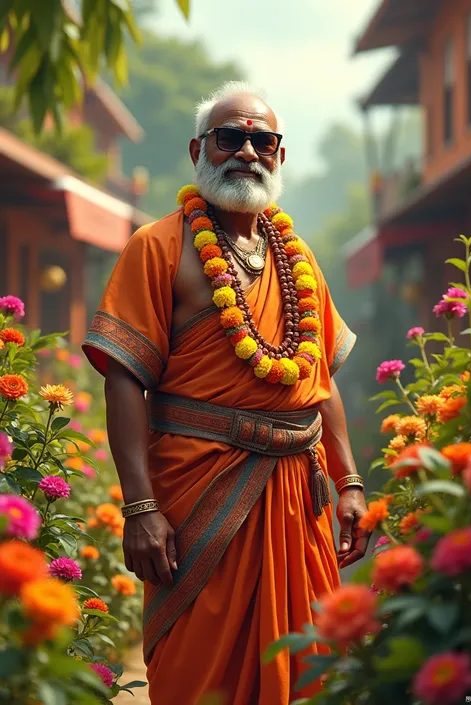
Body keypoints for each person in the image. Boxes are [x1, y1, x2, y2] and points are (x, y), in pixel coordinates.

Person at [83, 81, 369, 705]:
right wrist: (139, 507)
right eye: (229, 137)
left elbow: (320, 380)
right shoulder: (157, 247)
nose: (246, 151)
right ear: (198, 149)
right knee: (200, 678)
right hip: (200, 502)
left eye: (261, 140)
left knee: (313, 668)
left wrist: (349, 483)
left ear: (279, 156)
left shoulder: (300, 261)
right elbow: (125, 378)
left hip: (299, 498)